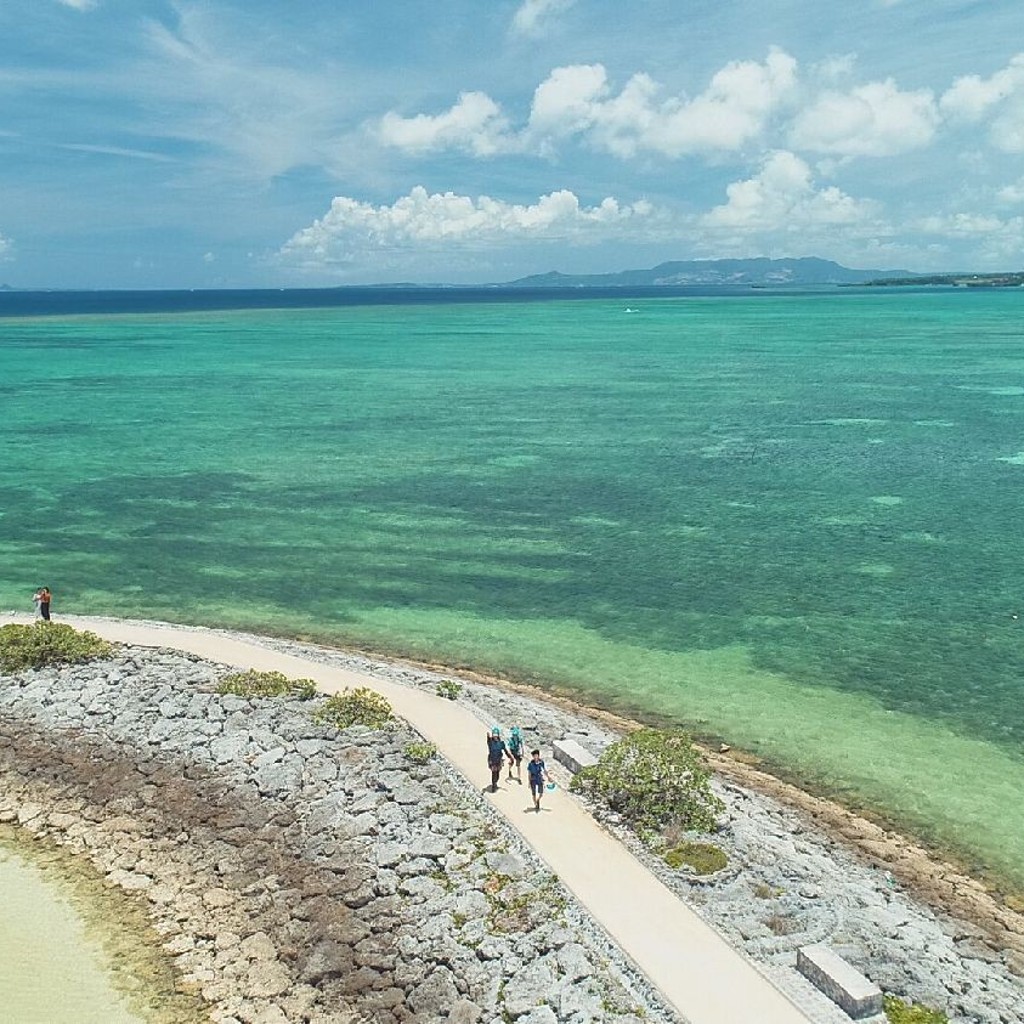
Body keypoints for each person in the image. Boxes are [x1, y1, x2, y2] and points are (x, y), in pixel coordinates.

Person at [486, 727, 513, 793]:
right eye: (494, 735)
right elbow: (488, 740)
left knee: (497, 774)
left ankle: (495, 782)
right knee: (493, 773)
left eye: (496, 735)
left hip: (498, 760)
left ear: (498, 736)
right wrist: (488, 737)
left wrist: (510, 757)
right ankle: (493, 785)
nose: (495, 737)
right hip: (492, 760)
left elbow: (505, 751)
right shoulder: (491, 743)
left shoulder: (501, 743)